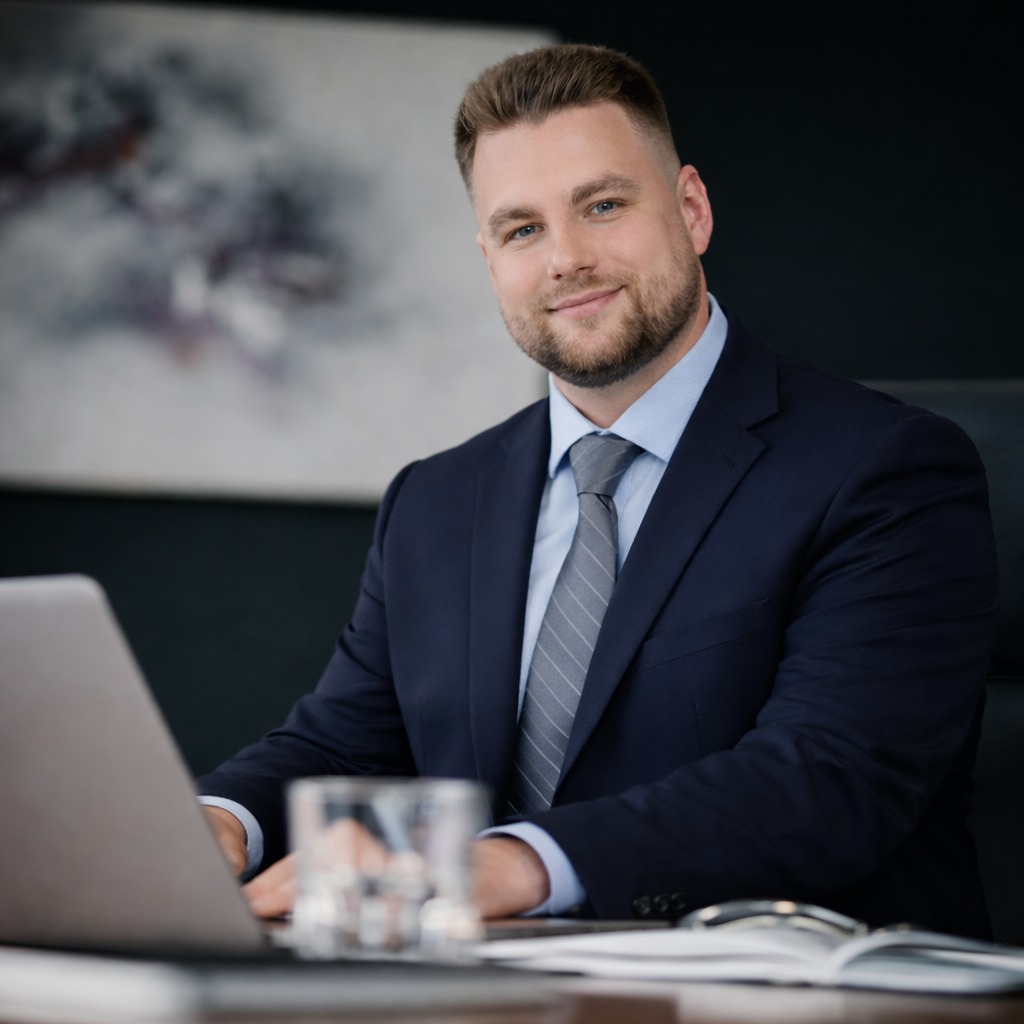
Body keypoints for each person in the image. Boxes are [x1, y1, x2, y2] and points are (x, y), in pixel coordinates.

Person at [197, 43, 998, 938]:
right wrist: (218, 823)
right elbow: (344, 742)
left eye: (604, 206)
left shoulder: (886, 469)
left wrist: (508, 862)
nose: (565, 259)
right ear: (490, 257)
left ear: (690, 210)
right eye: (521, 229)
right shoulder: (435, 501)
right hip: (495, 994)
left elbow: (825, 777)